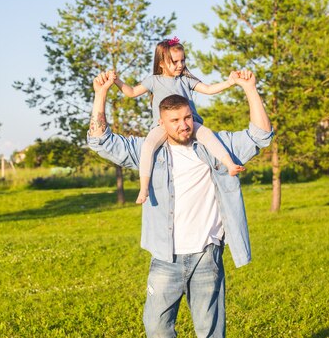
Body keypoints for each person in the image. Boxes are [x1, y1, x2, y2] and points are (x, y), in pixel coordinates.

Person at [87, 69, 272, 337]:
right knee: (156, 327)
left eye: (187, 117)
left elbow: (260, 136)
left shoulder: (215, 145)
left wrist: (250, 90)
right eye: (174, 120)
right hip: (165, 257)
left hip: (207, 255)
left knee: (210, 331)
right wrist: (101, 95)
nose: (183, 125)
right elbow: (101, 142)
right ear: (161, 123)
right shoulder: (149, 151)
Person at [112, 37, 244, 204]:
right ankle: (144, 187)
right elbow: (131, 92)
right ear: (161, 63)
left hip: (189, 124)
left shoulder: (185, 80)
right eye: (174, 62)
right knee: (148, 146)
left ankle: (229, 164)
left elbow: (209, 90)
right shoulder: (154, 81)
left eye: (182, 60)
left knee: (208, 135)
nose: (180, 65)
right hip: (163, 126)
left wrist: (230, 82)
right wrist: (117, 81)